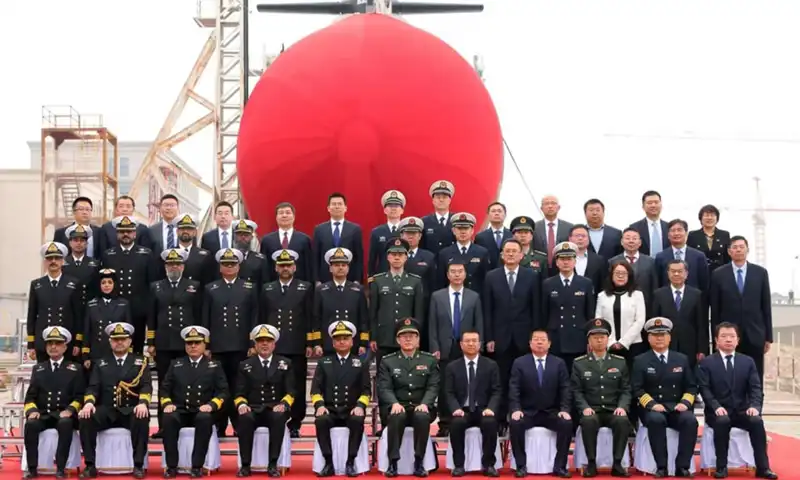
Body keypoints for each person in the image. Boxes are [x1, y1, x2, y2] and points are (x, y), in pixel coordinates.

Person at [696, 322, 777, 479]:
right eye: (724, 336)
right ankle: (721, 467)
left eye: (732, 336)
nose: (728, 340)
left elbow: (755, 388)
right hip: (717, 412)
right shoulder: (707, 363)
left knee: (756, 422)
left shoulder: (747, 362)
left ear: (738, 340)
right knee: (722, 421)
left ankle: (763, 467)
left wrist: (754, 406)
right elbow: (704, 389)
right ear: (716, 340)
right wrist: (715, 406)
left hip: (741, 411)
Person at [78, 323, 151, 479]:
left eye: (123, 339)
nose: (119, 342)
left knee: (142, 417)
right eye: (116, 339)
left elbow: (146, 386)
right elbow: (93, 387)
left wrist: (143, 403)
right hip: (107, 409)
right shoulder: (101, 363)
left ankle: (138, 465)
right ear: (110, 342)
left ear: (130, 341)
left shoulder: (140, 362)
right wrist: (89, 403)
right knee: (86, 418)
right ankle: (90, 465)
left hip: (130, 409)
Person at [482, 237, 540, 429]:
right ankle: (500, 419)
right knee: (501, 379)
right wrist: (489, 337)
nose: (511, 254)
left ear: (521, 255)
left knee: (525, 378)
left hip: (524, 337)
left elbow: (535, 309)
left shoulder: (531, 276)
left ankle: (524, 415)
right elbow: (488, 309)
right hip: (500, 337)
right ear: (501, 255)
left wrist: (535, 337)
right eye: (507, 251)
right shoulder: (492, 276)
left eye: (514, 251)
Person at [631, 317, 698, 478]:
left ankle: (682, 466)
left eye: (663, 335)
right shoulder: (640, 360)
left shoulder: (681, 359)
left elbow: (691, 386)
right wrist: (652, 404)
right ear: (648, 338)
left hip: (676, 406)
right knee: (656, 420)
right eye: (655, 335)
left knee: (690, 421)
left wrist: (684, 402)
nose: (659, 338)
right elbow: (637, 388)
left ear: (669, 337)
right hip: (652, 408)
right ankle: (661, 466)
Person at [202, 248, 259, 435]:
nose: (229, 267)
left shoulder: (249, 288)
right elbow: (206, 319)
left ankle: (237, 423)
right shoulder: (211, 288)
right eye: (226, 264)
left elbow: (254, 317)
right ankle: (219, 424)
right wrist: (206, 345)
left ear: (238, 266)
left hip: (241, 344)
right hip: (218, 345)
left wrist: (253, 344)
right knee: (218, 386)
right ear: (220, 267)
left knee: (238, 385)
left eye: (233, 264)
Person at [160, 326, 229, 479]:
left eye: (197, 343)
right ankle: (171, 466)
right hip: (180, 409)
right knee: (169, 419)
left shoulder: (214, 365)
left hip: (202, 410)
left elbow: (223, 391)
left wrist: (212, 405)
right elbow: (165, 389)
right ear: (185, 346)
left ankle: (197, 466)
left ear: (204, 345)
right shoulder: (175, 364)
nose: (193, 346)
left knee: (204, 419)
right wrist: (167, 404)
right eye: (189, 343)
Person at [147, 248, 202, 437]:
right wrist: (151, 341)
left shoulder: (193, 286)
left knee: (187, 381)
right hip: (163, 342)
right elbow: (151, 315)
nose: (174, 267)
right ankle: (164, 425)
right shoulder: (156, 286)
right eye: (170, 264)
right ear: (165, 266)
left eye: (177, 263)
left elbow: (198, 315)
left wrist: (202, 342)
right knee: (165, 383)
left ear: (183, 266)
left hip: (186, 342)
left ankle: (188, 420)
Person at [377, 318, 439, 478]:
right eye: (404, 336)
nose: (408, 339)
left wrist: (425, 403)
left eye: (412, 335)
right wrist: (394, 403)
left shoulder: (429, 360)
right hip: (398, 406)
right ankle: (393, 463)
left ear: (418, 340)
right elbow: (384, 387)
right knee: (397, 415)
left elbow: (433, 386)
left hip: (420, 407)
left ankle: (419, 462)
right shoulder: (387, 361)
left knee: (422, 416)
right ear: (398, 339)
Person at [261, 249, 314, 438]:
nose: (285, 268)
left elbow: (310, 315)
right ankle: (275, 419)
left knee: (297, 385)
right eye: (282, 265)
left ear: (294, 267)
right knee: (274, 383)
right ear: (276, 267)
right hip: (274, 345)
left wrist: (311, 341)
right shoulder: (267, 288)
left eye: (288, 265)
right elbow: (262, 316)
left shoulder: (305, 287)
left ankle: (295, 422)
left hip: (297, 344)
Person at [428, 259, 484, 436]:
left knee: (467, 382)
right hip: (445, 347)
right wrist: (434, 346)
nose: (457, 274)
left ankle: (466, 418)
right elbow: (432, 324)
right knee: (446, 385)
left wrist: (478, 345)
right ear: (447, 275)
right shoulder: (437, 296)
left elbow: (479, 323)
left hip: (467, 346)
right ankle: (445, 423)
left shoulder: (474, 296)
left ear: (465, 274)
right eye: (453, 271)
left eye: (460, 271)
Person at [571, 319, 632, 478]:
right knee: (588, 421)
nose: (599, 340)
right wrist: (584, 407)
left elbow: (626, 389)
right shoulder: (579, 364)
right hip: (592, 409)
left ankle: (617, 464)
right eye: (595, 337)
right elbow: (576, 391)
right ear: (589, 340)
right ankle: (591, 463)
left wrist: (622, 407)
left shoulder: (620, 362)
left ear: (608, 339)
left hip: (613, 410)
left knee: (622, 421)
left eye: (602, 337)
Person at [508, 329, 572, 478]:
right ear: (530, 343)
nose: (539, 342)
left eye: (543, 339)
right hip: (528, 412)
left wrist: (565, 409)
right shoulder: (520, 363)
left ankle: (560, 466)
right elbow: (514, 388)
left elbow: (565, 389)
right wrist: (516, 409)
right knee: (515, 423)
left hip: (551, 412)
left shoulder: (558, 363)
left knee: (566, 424)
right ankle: (521, 465)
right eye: (536, 339)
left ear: (549, 344)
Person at [23, 326, 85, 479]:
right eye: (50, 343)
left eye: (57, 343)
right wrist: (32, 411)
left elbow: (80, 396)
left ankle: (61, 468)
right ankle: (32, 468)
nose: (53, 346)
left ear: (65, 346)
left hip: (63, 414)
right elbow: (30, 397)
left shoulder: (75, 369)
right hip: (43, 414)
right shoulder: (39, 369)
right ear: (46, 346)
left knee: (65, 424)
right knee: (30, 425)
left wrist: (70, 410)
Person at [311, 321, 371, 477]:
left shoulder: (360, 363)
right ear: (333, 342)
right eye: (338, 339)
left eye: (345, 338)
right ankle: (328, 462)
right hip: (330, 409)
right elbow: (315, 389)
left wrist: (360, 406)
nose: (342, 341)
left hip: (351, 409)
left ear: (352, 341)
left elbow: (366, 391)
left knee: (358, 421)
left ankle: (350, 462)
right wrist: (319, 405)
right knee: (321, 420)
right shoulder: (324, 363)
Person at [234, 324, 296, 478]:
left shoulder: (285, 363)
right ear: (255, 344)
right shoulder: (245, 365)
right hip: (253, 408)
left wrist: (284, 404)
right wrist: (242, 404)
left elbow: (292, 390)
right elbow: (238, 392)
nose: (264, 344)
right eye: (260, 340)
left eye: (268, 340)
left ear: (274, 344)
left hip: (275, 407)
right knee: (244, 419)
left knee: (278, 418)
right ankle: (246, 465)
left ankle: (273, 464)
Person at [709, 236, 772, 380]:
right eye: (735, 247)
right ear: (729, 252)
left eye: (741, 247)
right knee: (730, 374)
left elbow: (766, 306)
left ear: (747, 250)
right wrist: (716, 336)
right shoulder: (718, 274)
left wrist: (768, 337)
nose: (738, 250)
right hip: (728, 335)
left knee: (755, 374)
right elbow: (715, 309)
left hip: (755, 333)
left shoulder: (760, 273)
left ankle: (755, 402)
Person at [444, 330, 501, 477]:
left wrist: (491, 408)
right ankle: (458, 465)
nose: (471, 344)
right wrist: (455, 408)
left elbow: (496, 391)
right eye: (467, 341)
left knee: (490, 423)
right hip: (462, 410)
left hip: (483, 410)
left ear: (480, 344)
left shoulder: (491, 365)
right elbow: (448, 392)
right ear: (461, 345)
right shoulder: (452, 367)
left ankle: (489, 464)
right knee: (456, 423)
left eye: (474, 341)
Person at [101, 215, 157, 353]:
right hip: (116, 309)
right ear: (117, 233)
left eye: (129, 231)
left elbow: (151, 284)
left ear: (135, 233)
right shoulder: (109, 254)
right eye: (122, 231)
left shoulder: (146, 254)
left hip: (139, 308)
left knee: (136, 347)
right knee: (116, 345)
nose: (125, 234)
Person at [369, 239, 425, 367]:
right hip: (384, 337)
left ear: (406, 257)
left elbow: (418, 313)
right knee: (382, 375)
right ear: (388, 257)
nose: (397, 258)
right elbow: (373, 312)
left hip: (407, 338)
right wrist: (373, 337)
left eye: (400, 255)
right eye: (393, 255)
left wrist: (417, 337)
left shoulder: (415, 281)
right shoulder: (378, 281)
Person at [542, 241, 595, 373]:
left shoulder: (585, 283)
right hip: (556, 337)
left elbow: (590, 314)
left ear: (575, 261)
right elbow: (543, 313)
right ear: (556, 262)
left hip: (578, 336)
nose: (566, 262)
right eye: (562, 259)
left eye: (569, 259)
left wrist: (589, 338)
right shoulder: (548, 284)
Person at [27, 242, 82, 362]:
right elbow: (31, 316)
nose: (53, 261)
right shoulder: (37, 285)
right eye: (49, 258)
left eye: (57, 258)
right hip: (43, 342)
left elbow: (78, 315)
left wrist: (78, 342)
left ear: (62, 261)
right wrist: (31, 345)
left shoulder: (73, 284)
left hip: (66, 341)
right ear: (45, 262)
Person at [652, 259, 709, 368]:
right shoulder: (659, 294)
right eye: (673, 271)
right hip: (666, 344)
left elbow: (701, 324)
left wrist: (702, 349)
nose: (676, 274)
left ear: (686, 274)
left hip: (690, 346)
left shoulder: (696, 295)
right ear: (668, 273)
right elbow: (655, 322)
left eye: (680, 271)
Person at [313, 248, 369, 355]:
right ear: (330, 268)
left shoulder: (358, 290)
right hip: (329, 343)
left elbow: (363, 319)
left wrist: (363, 343)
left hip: (352, 343)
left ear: (348, 268)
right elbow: (316, 319)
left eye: (343, 265)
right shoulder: (321, 290)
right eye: (336, 265)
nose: (340, 268)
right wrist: (317, 343)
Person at [594, 260, 647, 366]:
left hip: (633, 344)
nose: (620, 276)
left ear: (629, 276)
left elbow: (640, 321)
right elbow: (599, 321)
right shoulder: (602, 296)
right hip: (608, 345)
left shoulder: (637, 295)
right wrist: (612, 341)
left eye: (624, 273)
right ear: (611, 275)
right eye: (617, 273)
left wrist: (623, 342)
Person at [81, 269, 131, 370]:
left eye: (110, 282)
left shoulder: (124, 304)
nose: (106, 285)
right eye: (103, 283)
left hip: (117, 351)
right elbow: (87, 331)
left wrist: (128, 351)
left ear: (115, 284)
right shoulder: (91, 304)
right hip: (97, 352)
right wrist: (85, 355)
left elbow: (129, 330)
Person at [312, 193, 364, 284]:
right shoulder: (319, 229)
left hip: (349, 278)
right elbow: (316, 256)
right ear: (328, 208)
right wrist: (317, 280)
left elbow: (358, 257)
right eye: (334, 204)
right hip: (325, 278)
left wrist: (357, 279)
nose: (337, 207)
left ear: (345, 208)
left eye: (340, 204)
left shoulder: (355, 229)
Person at [435, 213, 490, 294]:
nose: (463, 232)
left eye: (466, 228)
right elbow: (441, 282)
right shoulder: (444, 253)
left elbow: (485, 281)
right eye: (459, 228)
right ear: (453, 231)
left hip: (474, 298)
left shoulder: (482, 252)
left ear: (472, 231)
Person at [259, 202, 313, 282]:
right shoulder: (267, 240)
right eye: (281, 213)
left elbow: (308, 267)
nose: (284, 215)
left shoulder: (304, 239)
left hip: (299, 287)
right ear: (276, 217)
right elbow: (264, 268)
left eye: (288, 212)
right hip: (273, 287)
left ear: (294, 216)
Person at [368, 190, 406, 277]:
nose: (393, 208)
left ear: (402, 210)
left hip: (403, 276)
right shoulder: (377, 232)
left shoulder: (406, 231)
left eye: (396, 205)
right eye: (390, 205)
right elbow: (372, 259)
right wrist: (371, 280)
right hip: (382, 276)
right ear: (385, 210)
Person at [687, 204, 731, 272]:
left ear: (717, 218)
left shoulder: (724, 235)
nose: (709, 218)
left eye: (712, 215)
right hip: (700, 272)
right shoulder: (693, 235)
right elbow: (690, 257)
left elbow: (728, 257)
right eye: (706, 215)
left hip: (720, 273)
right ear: (701, 218)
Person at [420, 180, 456, 255]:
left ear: (450, 200)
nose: (441, 200)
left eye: (444, 197)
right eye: (438, 197)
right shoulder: (424, 222)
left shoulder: (456, 220)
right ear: (433, 200)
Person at [628, 190, 669, 257]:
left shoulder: (669, 227)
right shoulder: (634, 227)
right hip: (644, 266)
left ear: (661, 205)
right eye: (649, 203)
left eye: (656, 202)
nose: (653, 205)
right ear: (643, 207)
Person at [473, 202, 512, 270]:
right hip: (487, 275)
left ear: (505, 215)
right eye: (493, 211)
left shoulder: (512, 235)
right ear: (488, 215)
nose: (496, 213)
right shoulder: (480, 237)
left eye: (499, 211)